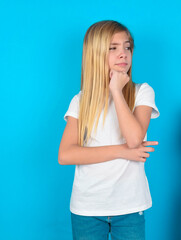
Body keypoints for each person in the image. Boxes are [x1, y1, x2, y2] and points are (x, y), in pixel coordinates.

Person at [58, 20, 159, 240]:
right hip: (87, 208)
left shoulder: (142, 92)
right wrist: (122, 151)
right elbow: (66, 154)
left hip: (130, 205)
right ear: (95, 53)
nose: (123, 53)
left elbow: (134, 140)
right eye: (113, 48)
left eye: (127, 47)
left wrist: (116, 90)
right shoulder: (81, 100)